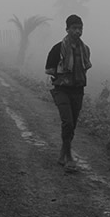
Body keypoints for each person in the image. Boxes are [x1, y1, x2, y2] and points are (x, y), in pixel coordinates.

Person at [45, 14, 92, 169]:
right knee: (68, 122)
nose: (77, 31)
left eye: (80, 28)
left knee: (72, 125)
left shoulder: (85, 50)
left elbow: (84, 68)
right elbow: (50, 70)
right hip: (61, 90)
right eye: (74, 28)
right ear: (67, 29)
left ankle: (62, 154)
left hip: (78, 90)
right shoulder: (57, 49)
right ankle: (69, 155)